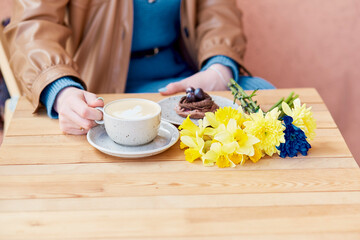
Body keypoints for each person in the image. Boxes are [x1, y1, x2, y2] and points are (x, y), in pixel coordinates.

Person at [4, 0, 275, 135]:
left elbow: (218, 11)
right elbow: (33, 22)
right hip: (99, 89)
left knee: (263, 97)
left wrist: (218, 70)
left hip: (187, 77)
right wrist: (61, 90)